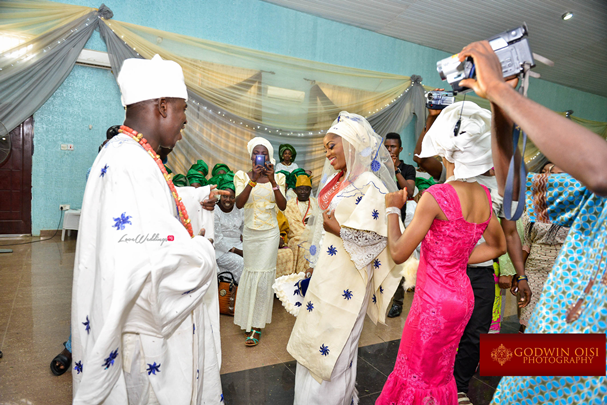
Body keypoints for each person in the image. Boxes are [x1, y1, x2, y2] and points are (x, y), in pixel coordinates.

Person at [456, 39, 607, 405]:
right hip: (555, 347)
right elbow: (515, 191)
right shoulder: (589, 195)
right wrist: (498, 109)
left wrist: (500, 91)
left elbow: (601, 170)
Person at [71, 55, 223, 404]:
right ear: (163, 106)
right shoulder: (131, 162)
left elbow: (151, 208)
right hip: (146, 346)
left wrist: (197, 197)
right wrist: (202, 250)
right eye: (183, 111)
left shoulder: (128, 153)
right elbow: (153, 266)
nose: (184, 124)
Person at [376, 102, 507, 404]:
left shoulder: (437, 196)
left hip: (434, 301)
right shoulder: (484, 196)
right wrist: (456, 259)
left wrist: (393, 209)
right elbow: (498, 247)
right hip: (462, 298)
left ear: (447, 153)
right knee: (439, 374)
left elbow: (397, 252)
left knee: (415, 375)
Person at [414, 101, 528, 403]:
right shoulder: (454, 174)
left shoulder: (501, 188)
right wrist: (434, 118)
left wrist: (521, 274)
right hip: (444, 274)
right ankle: (435, 382)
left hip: (479, 271)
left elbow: (510, 233)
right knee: (438, 334)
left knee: (476, 333)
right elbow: (425, 161)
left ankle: (459, 385)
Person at [287, 111, 402, 405]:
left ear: (351, 144)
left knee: (335, 344)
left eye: (332, 145)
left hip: (349, 276)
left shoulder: (370, 184)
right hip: (328, 271)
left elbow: (377, 239)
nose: (328, 153)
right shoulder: (341, 181)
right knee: (315, 338)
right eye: (325, 147)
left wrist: (336, 229)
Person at [234, 137, 287, 347]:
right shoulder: (242, 176)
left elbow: (282, 206)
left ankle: (256, 326)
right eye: (257, 152)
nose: (261, 156)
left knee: (264, 278)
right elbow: (239, 203)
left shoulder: (279, 177)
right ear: (251, 155)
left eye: (264, 153)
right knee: (249, 274)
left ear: (269, 155)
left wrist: (273, 181)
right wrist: (253, 180)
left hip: (269, 234)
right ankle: (247, 320)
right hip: (250, 234)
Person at [384, 132, 416, 318]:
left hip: (398, 221)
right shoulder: (377, 167)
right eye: (387, 147)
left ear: (400, 149)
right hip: (378, 218)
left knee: (398, 262)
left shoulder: (407, 168)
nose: (390, 150)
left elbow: (410, 190)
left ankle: (397, 302)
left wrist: (395, 169)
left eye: (393, 147)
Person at [284, 174, 319, 275]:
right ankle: (300, 275)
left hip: (314, 237)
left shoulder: (315, 203)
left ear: (310, 190)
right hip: (296, 238)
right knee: (305, 247)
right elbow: (291, 224)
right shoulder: (290, 204)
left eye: (306, 189)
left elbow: (320, 221)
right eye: (300, 189)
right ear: (295, 191)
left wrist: (312, 221)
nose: (303, 192)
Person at [214, 173, 244, 284]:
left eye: (232, 197)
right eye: (225, 196)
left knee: (254, 262)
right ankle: (238, 295)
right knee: (242, 263)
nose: (228, 200)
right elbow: (217, 240)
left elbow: (245, 230)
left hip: (239, 245)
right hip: (221, 250)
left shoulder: (239, 209)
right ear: (220, 196)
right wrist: (238, 251)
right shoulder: (215, 210)